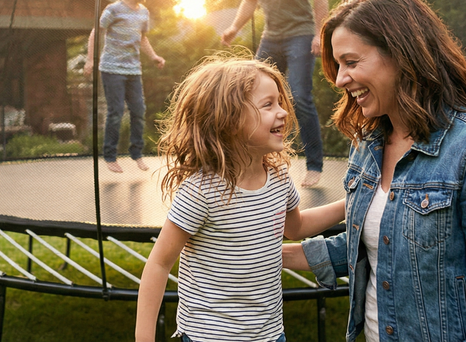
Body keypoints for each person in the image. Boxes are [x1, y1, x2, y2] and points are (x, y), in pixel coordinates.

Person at [283, 0, 466, 341]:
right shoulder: (368, 145)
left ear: (401, 54)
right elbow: (374, 244)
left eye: (351, 62)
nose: (340, 79)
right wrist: (261, 252)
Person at [135, 54, 345, 342]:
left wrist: (350, 205)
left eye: (280, 102)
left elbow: (294, 228)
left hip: (270, 335)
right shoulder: (202, 192)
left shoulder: (278, 177)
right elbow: (159, 264)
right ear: (230, 120)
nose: (283, 112)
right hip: (209, 336)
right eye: (268, 104)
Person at [222, 0, 328, 187]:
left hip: (300, 35)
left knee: (299, 97)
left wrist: (319, 33)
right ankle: (255, 158)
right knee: (248, 92)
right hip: (271, 37)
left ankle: (314, 165)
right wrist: (235, 27)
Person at [84, 0, 165, 173]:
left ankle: (137, 153)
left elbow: (142, 38)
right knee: (116, 112)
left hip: (133, 71)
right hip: (111, 69)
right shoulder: (113, 10)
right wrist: (90, 60)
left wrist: (153, 56)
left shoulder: (143, 13)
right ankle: (110, 156)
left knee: (139, 111)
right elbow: (96, 32)